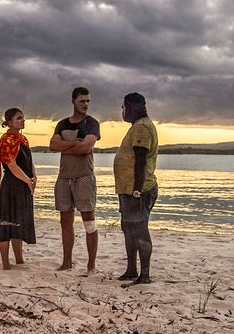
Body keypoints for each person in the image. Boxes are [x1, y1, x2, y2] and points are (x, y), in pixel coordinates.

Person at [49, 86, 101, 271]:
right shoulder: (62, 124)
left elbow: (85, 148)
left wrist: (64, 145)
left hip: (84, 176)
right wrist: (74, 144)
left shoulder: (91, 123)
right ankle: (66, 262)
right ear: (73, 102)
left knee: (89, 221)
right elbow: (52, 146)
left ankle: (91, 265)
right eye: (82, 101)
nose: (85, 104)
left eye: (88, 101)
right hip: (64, 177)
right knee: (65, 221)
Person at [113, 92, 158, 284]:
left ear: (130, 107)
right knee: (128, 227)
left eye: (124, 107)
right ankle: (131, 270)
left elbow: (140, 161)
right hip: (128, 189)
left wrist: (137, 193)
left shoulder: (141, 128)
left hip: (139, 189)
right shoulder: (138, 126)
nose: (123, 111)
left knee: (139, 229)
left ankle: (144, 275)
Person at [0, 108, 36, 269]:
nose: (23, 120)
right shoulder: (6, 140)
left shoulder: (23, 139)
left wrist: (34, 176)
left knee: (19, 223)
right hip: (11, 185)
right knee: (6, 224)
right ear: (9, 122)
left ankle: (19, 260)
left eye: (23, 118)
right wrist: (28, 181)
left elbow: (29, 161)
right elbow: (11, 165)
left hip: (24, 184)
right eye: (19, 118)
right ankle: (6, 264)